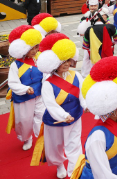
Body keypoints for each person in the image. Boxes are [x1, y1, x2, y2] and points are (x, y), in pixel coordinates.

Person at [33, 33, 84, 178]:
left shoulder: (76, 75)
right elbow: (50, 104)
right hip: (56, 120)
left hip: (75, 116)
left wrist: (85, 105)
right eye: (62, 62)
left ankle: (75, 172)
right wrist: (63, 116)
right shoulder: (48, 84)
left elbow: (82, 94)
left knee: (75, 145)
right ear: (54, 64)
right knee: (56, 146)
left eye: (68, 60)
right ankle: (59, 164)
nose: (67, 64)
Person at [6, 25, 44, 151]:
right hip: (23, 96)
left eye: (36, 47)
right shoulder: (15, 64)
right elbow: (12, 82)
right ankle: (27, 138)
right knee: (24, 119)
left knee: (41, 115)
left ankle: (41, 137)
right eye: (31, 48)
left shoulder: (40, 59)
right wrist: (24, 89)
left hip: (40, 93)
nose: (34, 50)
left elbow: (47, 74)